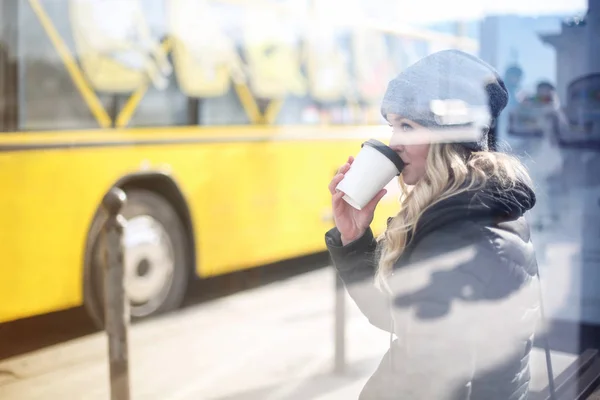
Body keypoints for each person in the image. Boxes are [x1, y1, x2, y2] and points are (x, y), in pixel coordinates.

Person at [325, 50, 541, 399]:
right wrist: (355, 239)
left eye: (408, 126)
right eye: (393, 126)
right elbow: (402, 319)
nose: (394, 142)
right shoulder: (467, 210)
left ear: (449, 135)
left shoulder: (458, 237)